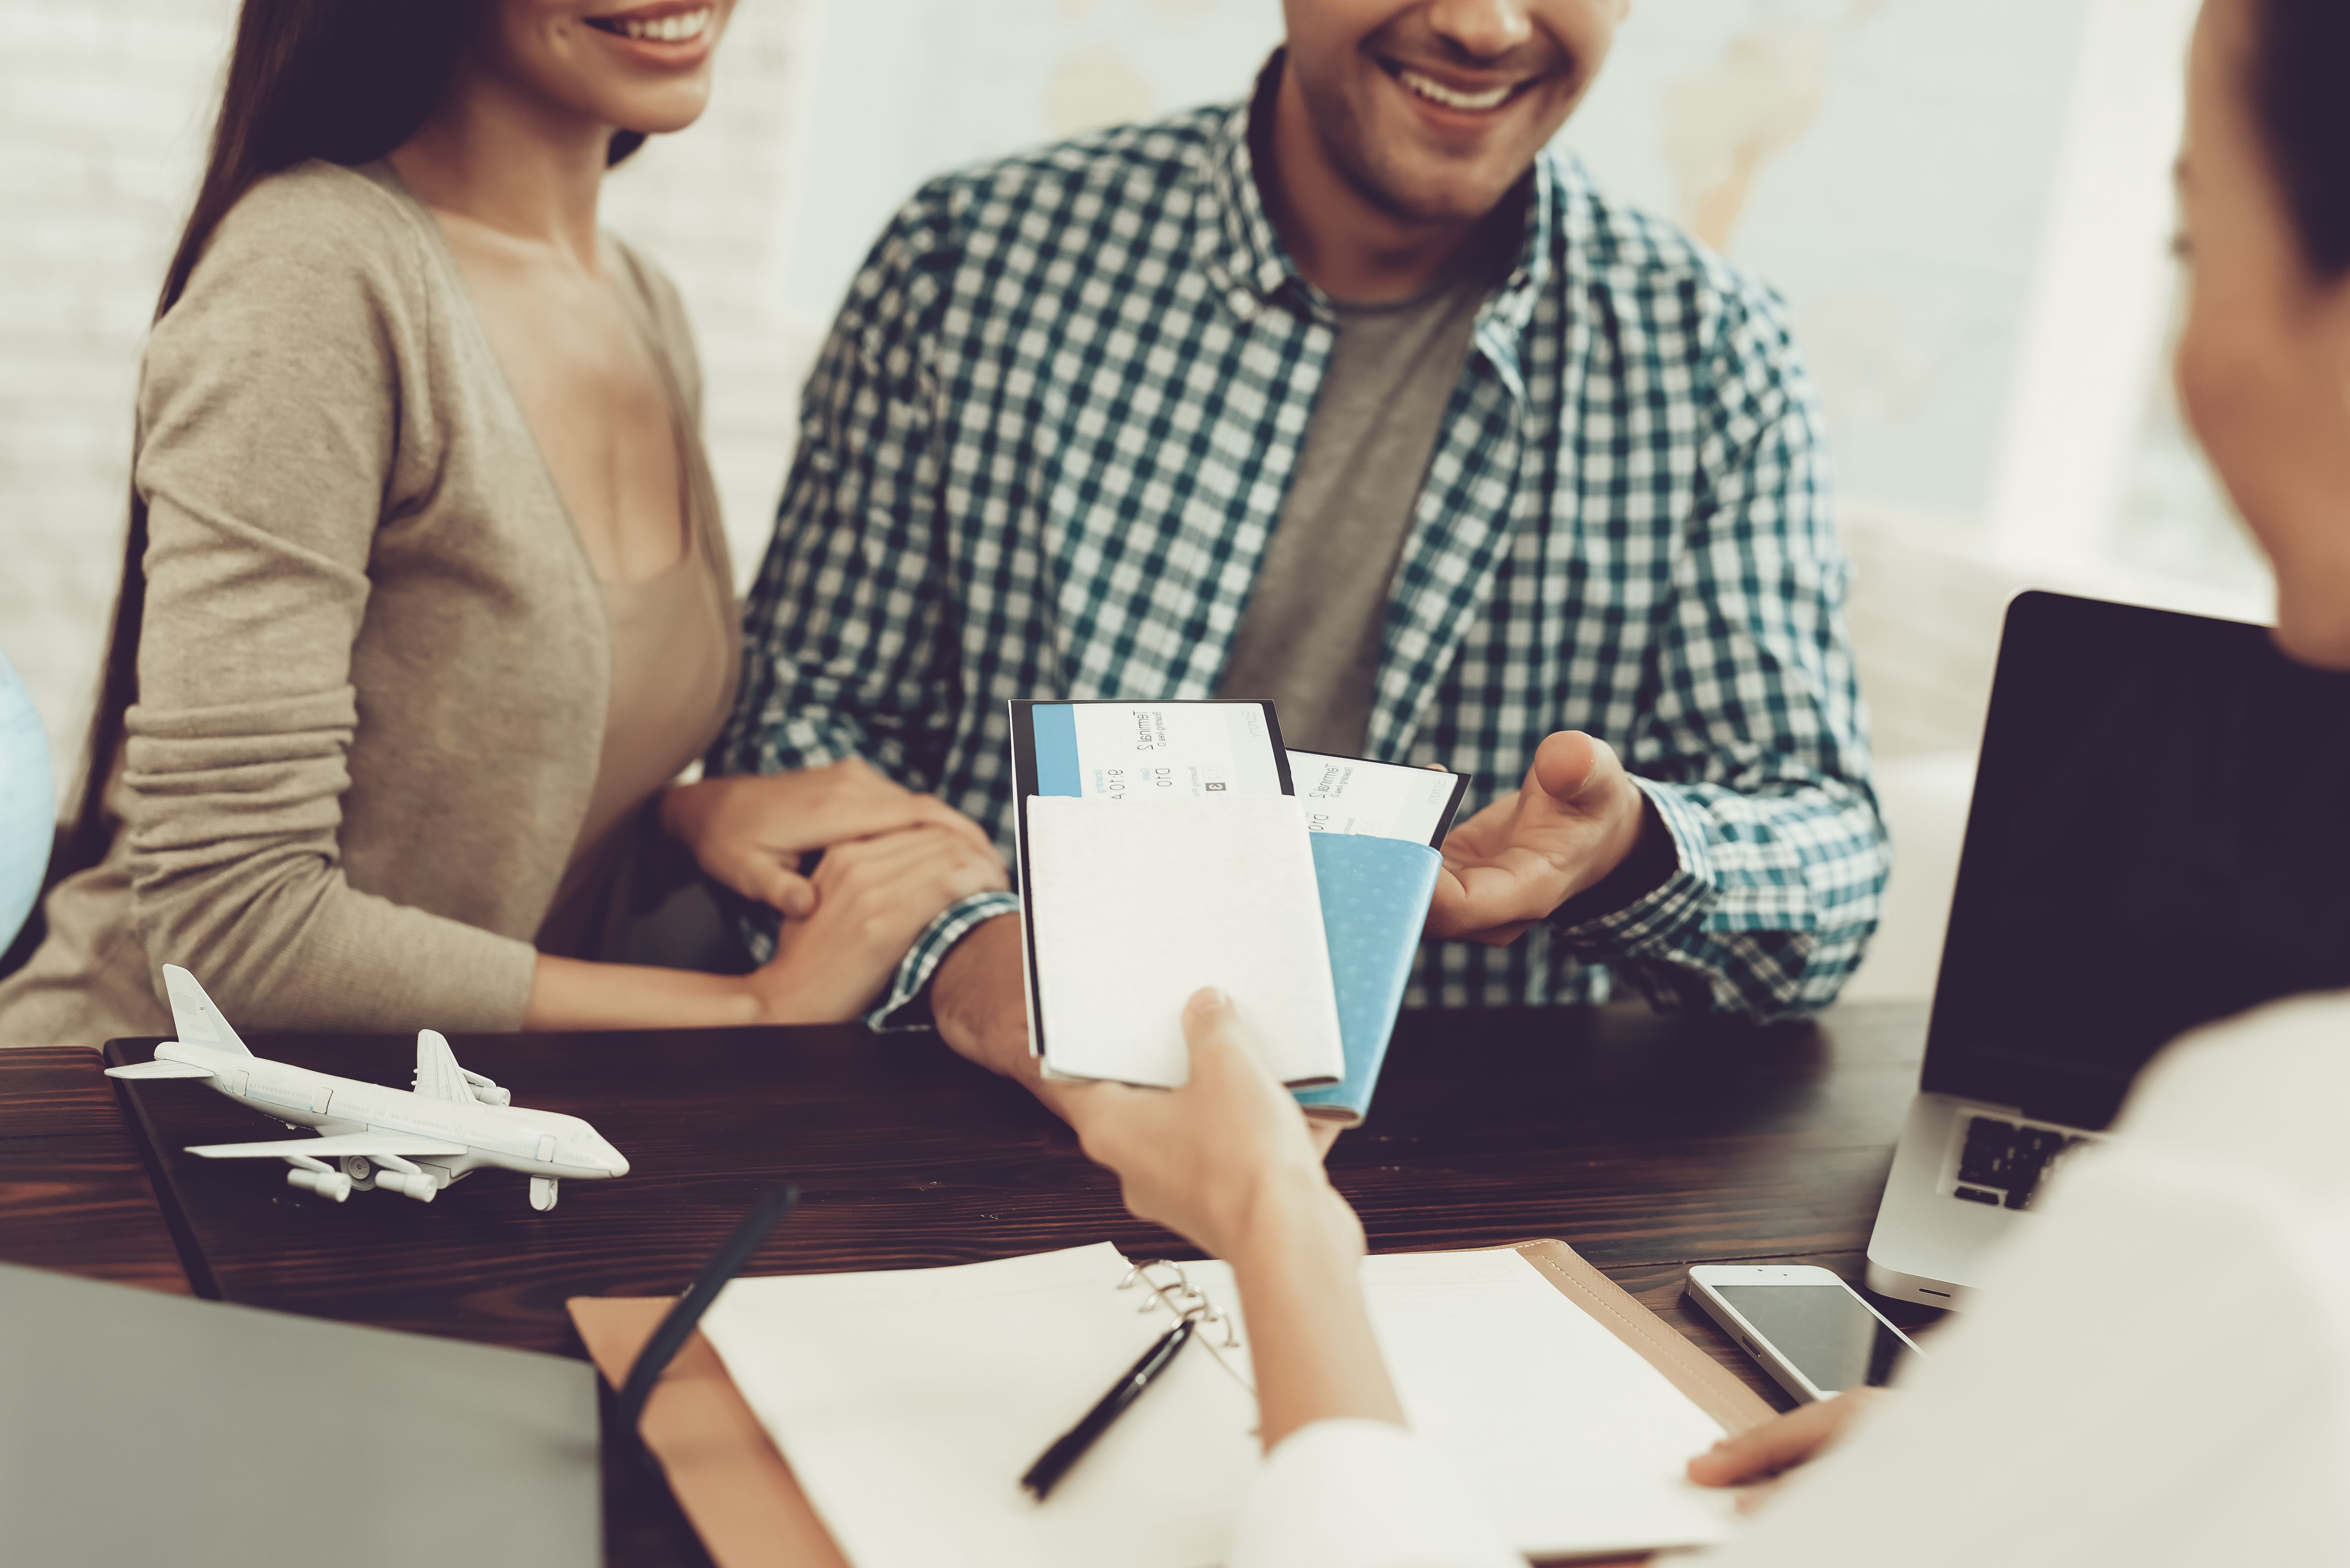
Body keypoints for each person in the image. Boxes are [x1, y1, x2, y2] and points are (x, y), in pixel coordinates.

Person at [1068, 0, 2350, 1560]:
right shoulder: (989, 261)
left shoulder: (2267, 1172)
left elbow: (1817, 846)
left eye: (2185, 240)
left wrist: (1278, 1230)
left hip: (1417, 1222)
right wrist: (2003, 1452)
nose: (1479, 20)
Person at [701, 0, 1891, 1105]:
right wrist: (969, 956)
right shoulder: (972, 259)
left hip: (1458, 1167)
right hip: (952, 1112)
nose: (1482, 24)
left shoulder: (1713, 350)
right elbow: (799, 729)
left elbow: (1822, 876)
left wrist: (1628, 852)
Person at [0, 0, 1005, 1049]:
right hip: (131, 1127)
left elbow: (475, 827)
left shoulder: (640, 302)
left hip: (395, 1145)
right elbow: (232, 932)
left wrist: (674, 823)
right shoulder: (316, 274)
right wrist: (760, 1006)